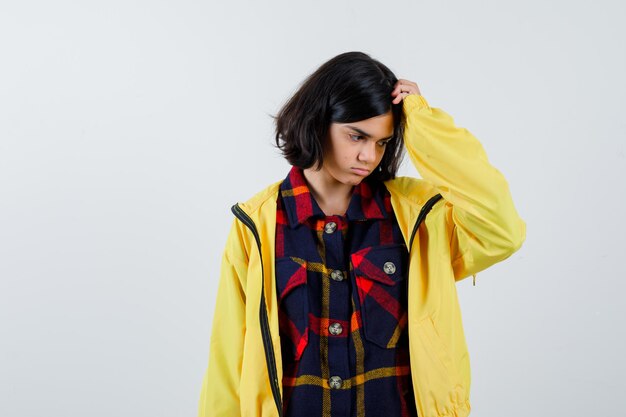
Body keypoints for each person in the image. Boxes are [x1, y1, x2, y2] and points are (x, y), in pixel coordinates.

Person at [198, 51, 526, 417]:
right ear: (318, 121)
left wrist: (422, 121)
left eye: (382, 142)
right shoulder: (256, 225)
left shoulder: (418, 216)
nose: (369, 156)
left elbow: (502, 229)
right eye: (357, 136)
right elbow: (228, 359)